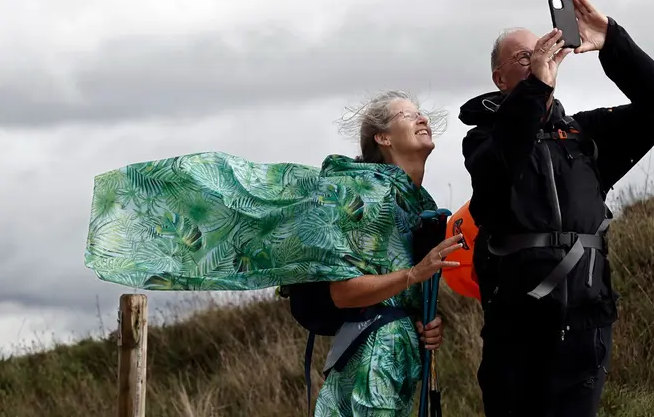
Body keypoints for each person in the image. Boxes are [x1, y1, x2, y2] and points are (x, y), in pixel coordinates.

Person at [83, 90, 464, 416]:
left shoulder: (418, 203)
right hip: (371, 361)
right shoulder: (365, 193)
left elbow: (398, 293)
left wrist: (423, 323)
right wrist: (414, 275)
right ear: (383, 137)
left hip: (399, 358)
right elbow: (343, 292)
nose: (422, 118)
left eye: (421, 112)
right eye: (407, 114)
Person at [458, 0, 654, 417]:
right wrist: (537, 88)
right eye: (525, 56)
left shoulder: (585, 136)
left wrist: (613, 42)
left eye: (544, 49)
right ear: (499, 77)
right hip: (516, 330)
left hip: (586, 326)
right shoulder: (482, 140)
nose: (538, 59)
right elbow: (500, 165)